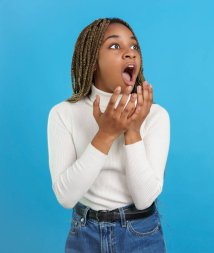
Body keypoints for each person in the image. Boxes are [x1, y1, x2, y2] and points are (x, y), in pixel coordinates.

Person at [47, 17, 170, 252]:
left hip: (140, 233)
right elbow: (66, 197)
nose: (130, 53)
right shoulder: (63, 114)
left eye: (134, 46)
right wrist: (105, 135)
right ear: (93, 61)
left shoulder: (155, 116)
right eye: (115, 46)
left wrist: (132, 130)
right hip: (85, 234)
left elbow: (144, 199)